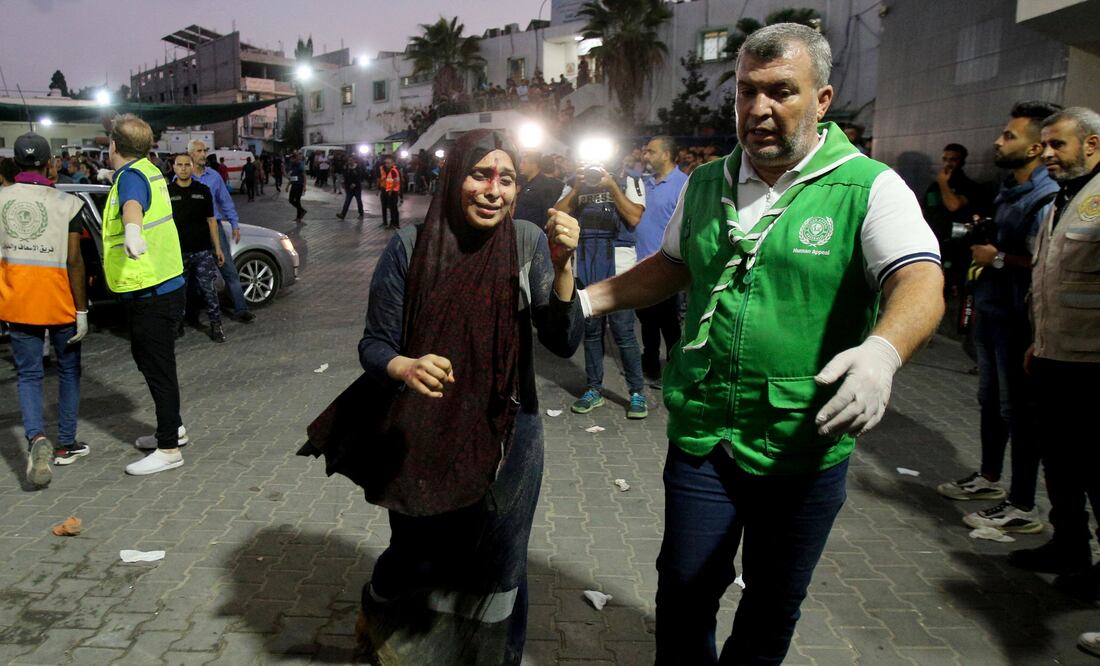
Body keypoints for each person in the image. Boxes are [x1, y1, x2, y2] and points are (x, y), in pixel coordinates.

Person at [577, 24, 944, 664]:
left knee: (772, 603)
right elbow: (672, 265)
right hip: (704, 439)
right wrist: (588, 300)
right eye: (747, 92)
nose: (759, 110)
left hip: (802, 444)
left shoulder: (870, 187)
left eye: (781, 92)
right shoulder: (708, 181)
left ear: (822, 99)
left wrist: (883, 351)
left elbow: (920, 280)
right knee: (684, 592)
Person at [340, 129, 582, 663]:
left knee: (501, 560)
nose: (494, 190)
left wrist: (565, 267)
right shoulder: (408, 246)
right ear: (454, 180)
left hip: (510, 431)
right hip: (422, 428)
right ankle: (379, 608)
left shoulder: (527, 244)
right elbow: (374, 344)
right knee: (415, 554)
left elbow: (563, 342)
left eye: (508, 179)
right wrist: (404, 365)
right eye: (480, 174)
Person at [936, 102, 1061, 534]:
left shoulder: (1046, 198)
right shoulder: (1011, 190)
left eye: (1010, 136)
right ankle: (989, 480)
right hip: (992, 312)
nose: (998, 140)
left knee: (1020, 412)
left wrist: (999, 258)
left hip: (1018, 322)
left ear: (1035, 148)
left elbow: (1047, 264)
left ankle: (1023, 505)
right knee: (991, 402)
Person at [1009, 107, 1100, 590]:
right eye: (1045, 145)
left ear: (1092, 145)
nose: (1047, 154)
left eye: (1057, 145)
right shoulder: (1060, 201)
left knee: (1095, 470)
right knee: (1060, 462)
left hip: (1092, 365)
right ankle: (1069, 546)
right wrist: (1039, 342)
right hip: (1053, 356)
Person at [0, 132, 90, 487]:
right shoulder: (67, 204)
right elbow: (74, 260)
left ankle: (37, 438)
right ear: (50, 163)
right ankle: (65, 445)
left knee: (29, 375)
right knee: (69, 371)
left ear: (16, 163)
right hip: (60, 300)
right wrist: (81, 309)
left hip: (18, 300)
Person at [104, 115, 189, 476]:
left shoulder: (132, 177)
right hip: (166, 285)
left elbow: (133, 206)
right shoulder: (150, 170)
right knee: (152, 362)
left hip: (152, 292)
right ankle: (174, 427)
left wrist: (133, 232)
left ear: (113, 146)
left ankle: (168, 448)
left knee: (158, 369)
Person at [555, 155, 648, 419]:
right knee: (592, 333)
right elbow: (558, 214)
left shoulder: (630, 179)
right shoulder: (576, 181)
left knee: (624, 333)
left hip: (620, 270)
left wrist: (610, 186)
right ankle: (593, 389)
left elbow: (634, 217)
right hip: (585, 265)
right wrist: (576, 188)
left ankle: (637, 392)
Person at [635, 136, 689, 387]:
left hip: (667, 266)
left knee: (668, 323)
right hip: (641, 266)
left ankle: (676, 368)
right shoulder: (644, 184)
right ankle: (651, 369)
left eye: (651, 152)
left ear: (666, 155)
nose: (645, 156)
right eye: (645, 152)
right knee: (647, 320)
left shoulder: (683, 184)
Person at [188, 140, 255, 323]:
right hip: (193, 230)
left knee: (228, 269)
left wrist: (234, 224)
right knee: (192, 274)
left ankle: (241, 309)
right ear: (191, 154)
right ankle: (191, 315)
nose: (203, 154)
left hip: (215, 229)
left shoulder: (214, 176)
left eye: (205, 150)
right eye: (199, 151)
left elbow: (225, 202)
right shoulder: (184, 177)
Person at [168, 153, 226, 343]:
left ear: (192, 167)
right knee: (178, 292)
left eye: (187, 165)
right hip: (178, 253)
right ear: (174, 167)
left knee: (209, 291)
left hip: (202, 251)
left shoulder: (203, 190)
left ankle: (216, 326)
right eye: (180, 165)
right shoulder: (167, 193)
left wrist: (217, 248)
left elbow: (211, 221)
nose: (183, 168)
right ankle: (177, 325)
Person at [923, 143, 990, 296]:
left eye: (953, 160)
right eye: (945, 159)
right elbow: (927, 209)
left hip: (958, 247)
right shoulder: (934, 187)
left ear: (962, 161)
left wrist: (943, 183)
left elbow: (953, 205)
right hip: (936, 243)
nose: (948, 164)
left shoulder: (970, 186)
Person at [513, 152, 563, 226]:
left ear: (534, 165)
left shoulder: (545, 185)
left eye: (524, 163)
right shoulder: (525, 181)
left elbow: (547, 212)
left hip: (532, 232)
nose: (520, 166)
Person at [336, 155, 365, 220]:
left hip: (357, 188)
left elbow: (360, 177)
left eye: (351, 160)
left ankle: (361, 213)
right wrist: (344, 183)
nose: (350, 162)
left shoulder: (358, 167)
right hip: (349, 188)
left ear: (354, 161)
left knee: (359, 201)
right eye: (349, 160)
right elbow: (345, 176)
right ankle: (343, 214)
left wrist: (355, 183)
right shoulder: (346, 167)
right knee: (347, 201)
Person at [379, 155, 401, 230]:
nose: (387, 164)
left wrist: (390, 191)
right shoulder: (386, 170)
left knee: (393, 208)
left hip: (393, 192)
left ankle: (395, 224)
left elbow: (395, 181)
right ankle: (393, 224)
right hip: (388, 191)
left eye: (389, 163)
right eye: (386, 163)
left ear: (392, 163)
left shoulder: (393, 170)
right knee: (392, 208)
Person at [288, 152, 307, 223]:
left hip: (299, 185)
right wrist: (287, 185)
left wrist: (304, 186)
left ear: (295, 158)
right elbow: (291, 177)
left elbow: (304, 176)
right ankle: (302, 210)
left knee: (297, 201)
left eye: (292, 158)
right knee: (291, 200)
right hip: (294, 185)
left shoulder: (300, 165)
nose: (291, 160)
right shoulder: (292, 166)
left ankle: (298, 217)